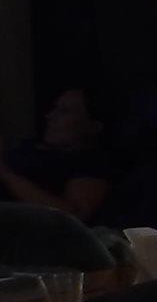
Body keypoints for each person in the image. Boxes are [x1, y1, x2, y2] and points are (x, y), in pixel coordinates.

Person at [2, 85, 124, 224]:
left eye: (64, 111)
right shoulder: (31, 147)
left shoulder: (92, 163)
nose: (50, 116)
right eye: (55, 109)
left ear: (93, 126)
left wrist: (6, 173)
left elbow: (73, 216)